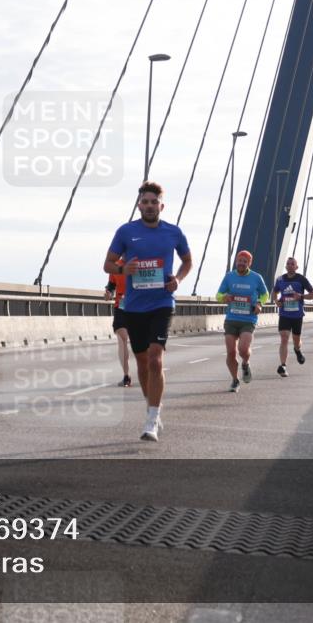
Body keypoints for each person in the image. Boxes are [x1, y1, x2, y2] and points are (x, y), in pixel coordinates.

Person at [105, 181, 192, 442]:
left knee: (156, 359)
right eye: (146, 202)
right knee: (142, 363)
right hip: (133, 306)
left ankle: (152, 418)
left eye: (155, 202)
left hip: (162, 303)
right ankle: (151, 406)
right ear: (139, 204)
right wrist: (123, 270)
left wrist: (178, 279)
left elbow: (187, 261)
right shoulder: (126, 231)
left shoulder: (174, 232)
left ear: (161, 206)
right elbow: (107, 264)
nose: (150, 206)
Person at [216, 250, 270, 393]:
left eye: (244, 261)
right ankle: (234, 380)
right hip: (231, 319)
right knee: (231, 352)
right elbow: (218, 295)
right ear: (236, 262)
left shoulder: (256, 278)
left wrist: (259, 303)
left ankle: (245, 364)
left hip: (248, 319)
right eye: (239, 260)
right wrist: (224, 297)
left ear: (249, 263)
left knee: (243, 350)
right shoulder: (229, 277)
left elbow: (265, 294)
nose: (241, 263)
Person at [272, 257, 313, 377]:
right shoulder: (280, 279)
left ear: (296, 267)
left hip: (297, 315)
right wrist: (276, 301)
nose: (290, 266)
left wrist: (301, 296)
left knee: (296, 341)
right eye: (288, 264)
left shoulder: (301, 279)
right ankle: (283, 366)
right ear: (286, 266)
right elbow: (274, 292)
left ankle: (297, 350)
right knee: (284, 338)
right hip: (284, 314)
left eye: (292, 264)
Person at [104, 259, 131, 387]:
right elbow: (111, 284)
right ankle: (126, 376)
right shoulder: (116, 265)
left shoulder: (142, 261)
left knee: (142, 343)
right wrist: (108, 293)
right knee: (122, 339)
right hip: (121, 306)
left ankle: (148, 371)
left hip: (141, 306)